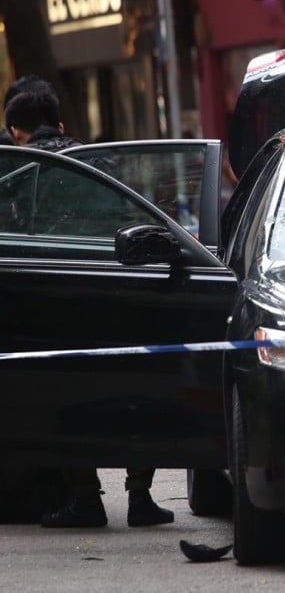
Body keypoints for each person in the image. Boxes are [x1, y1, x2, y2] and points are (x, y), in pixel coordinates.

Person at [4, 88, 175, 528]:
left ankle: (85, 498)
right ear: (61, 125)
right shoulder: (101, 159)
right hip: (117, 284)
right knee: (131, 389)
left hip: (57, 293)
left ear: (15, 131)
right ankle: (140, 498)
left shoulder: (20, 168)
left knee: (67, 392)